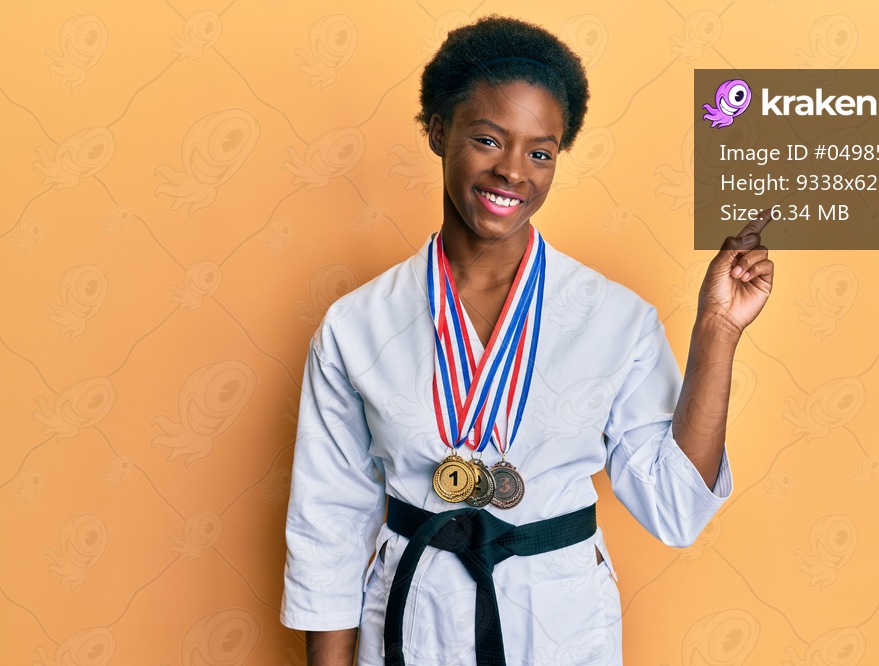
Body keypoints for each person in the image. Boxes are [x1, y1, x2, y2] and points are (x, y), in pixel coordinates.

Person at [281, 15, 773, 666]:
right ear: (438, 131)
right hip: (412, 619)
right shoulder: (357, 325)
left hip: (563, 626)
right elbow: (329, 522)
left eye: (541, 152)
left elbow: (676, 509)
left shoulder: (615, 319)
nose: (513, 171)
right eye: (488, 139)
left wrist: (718, 330)